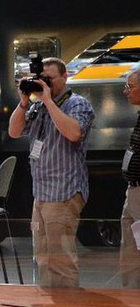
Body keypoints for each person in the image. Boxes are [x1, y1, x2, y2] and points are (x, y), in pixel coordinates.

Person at [8, 57, 95, 288]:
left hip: (64, 192)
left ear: (65, 77)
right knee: (43, 257)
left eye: (50, 79)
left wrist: (48, 100)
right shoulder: (37, 107)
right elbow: (14, 132)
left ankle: (68, 302)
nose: (45, 83)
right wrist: (24, 102)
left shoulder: (77, 104)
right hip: (41, 193)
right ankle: (51, 302)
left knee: (61, 259)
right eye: (41, 79)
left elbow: (74, 133)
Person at [120, 69, 140, 288]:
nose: (126, 91)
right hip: (133, 191)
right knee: (130, 248)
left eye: (130, 86)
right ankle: (132, 298)